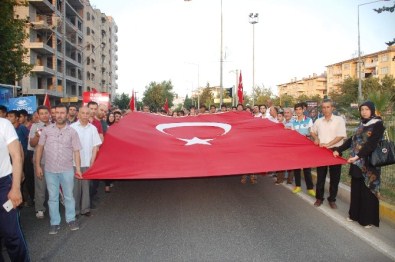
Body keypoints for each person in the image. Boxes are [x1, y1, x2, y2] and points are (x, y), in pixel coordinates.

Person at [333, 101, 384, 228]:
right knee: (356, 189)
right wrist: (339, 149)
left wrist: (357, 156)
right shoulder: (361, 124)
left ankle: (367, 220)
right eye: (362, 109)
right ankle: (354, 215)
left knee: (367, 191)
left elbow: (371, 144)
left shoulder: (378, 124)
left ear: (372, 110)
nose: (364, 112)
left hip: (369, 163)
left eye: (367, 109)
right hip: (356, 163)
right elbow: (352, 140)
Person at [35, 104, 82, 234]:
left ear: (67, 115)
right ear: (54, 114)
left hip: (67, 170)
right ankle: (54, 223)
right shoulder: (46, 131)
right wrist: (38, 166)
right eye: (57, 113)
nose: (60, 115)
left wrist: (78, 169)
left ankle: (71, 219)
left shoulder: (72, 132)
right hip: (50, 170)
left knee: (68, 196)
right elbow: (39, 148)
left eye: (62, 113)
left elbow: (76, 151)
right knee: (53, 197)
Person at [0, 118, 30, 261]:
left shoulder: (3, 124)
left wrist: (16, 188)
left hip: (4, 185)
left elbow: (16, 156)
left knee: (11, 233)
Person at [311, 99, 346, 209]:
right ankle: (319, 198)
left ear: (332, 108)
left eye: (328, 107)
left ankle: (332, 199)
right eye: (323, 107)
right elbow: (312, 131)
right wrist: (316, 138)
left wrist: (329, 144)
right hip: (322, 151)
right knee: (321, 176)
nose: (325, 109)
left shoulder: (339, 120)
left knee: (334, 177)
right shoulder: (318, 121)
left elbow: (341, 136)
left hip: (335, 150)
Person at [71, 106, 101, 218]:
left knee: (87, 187)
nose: (85, 115)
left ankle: (85, 208)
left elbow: (95, 146)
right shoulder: (72, 127)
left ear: (90, 115)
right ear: (78, 114)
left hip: (87, 162)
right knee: (75, 188)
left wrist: (92, 162)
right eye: (82, 113)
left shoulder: (93, 128)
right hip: (74, 163)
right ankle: (75, 210)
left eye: (87, 113)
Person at [29, 106, 51, 219]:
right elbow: (32, 144)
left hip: (54, 161)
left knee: (53, 186)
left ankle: (53, 206)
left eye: (46, 113)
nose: (44, 115)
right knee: (40, 186)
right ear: (38, 115)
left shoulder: (55, 125)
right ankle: (40, 208)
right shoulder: (35, 126)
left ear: (49, 113)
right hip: (40, 161)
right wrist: (37, 136)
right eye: (41, 113)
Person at [291, 103, 315, 197]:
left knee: (307, 168)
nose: (298, 111)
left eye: (299, 109)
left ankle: (310, 188)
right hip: (296, 148)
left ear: (303, 110)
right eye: (296, 109)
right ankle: (298, 186)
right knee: (296, 167)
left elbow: (311, 132)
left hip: (306, 148)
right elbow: (292, 135)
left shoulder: (309, 120)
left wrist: (309, 137)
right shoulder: (294, 122)